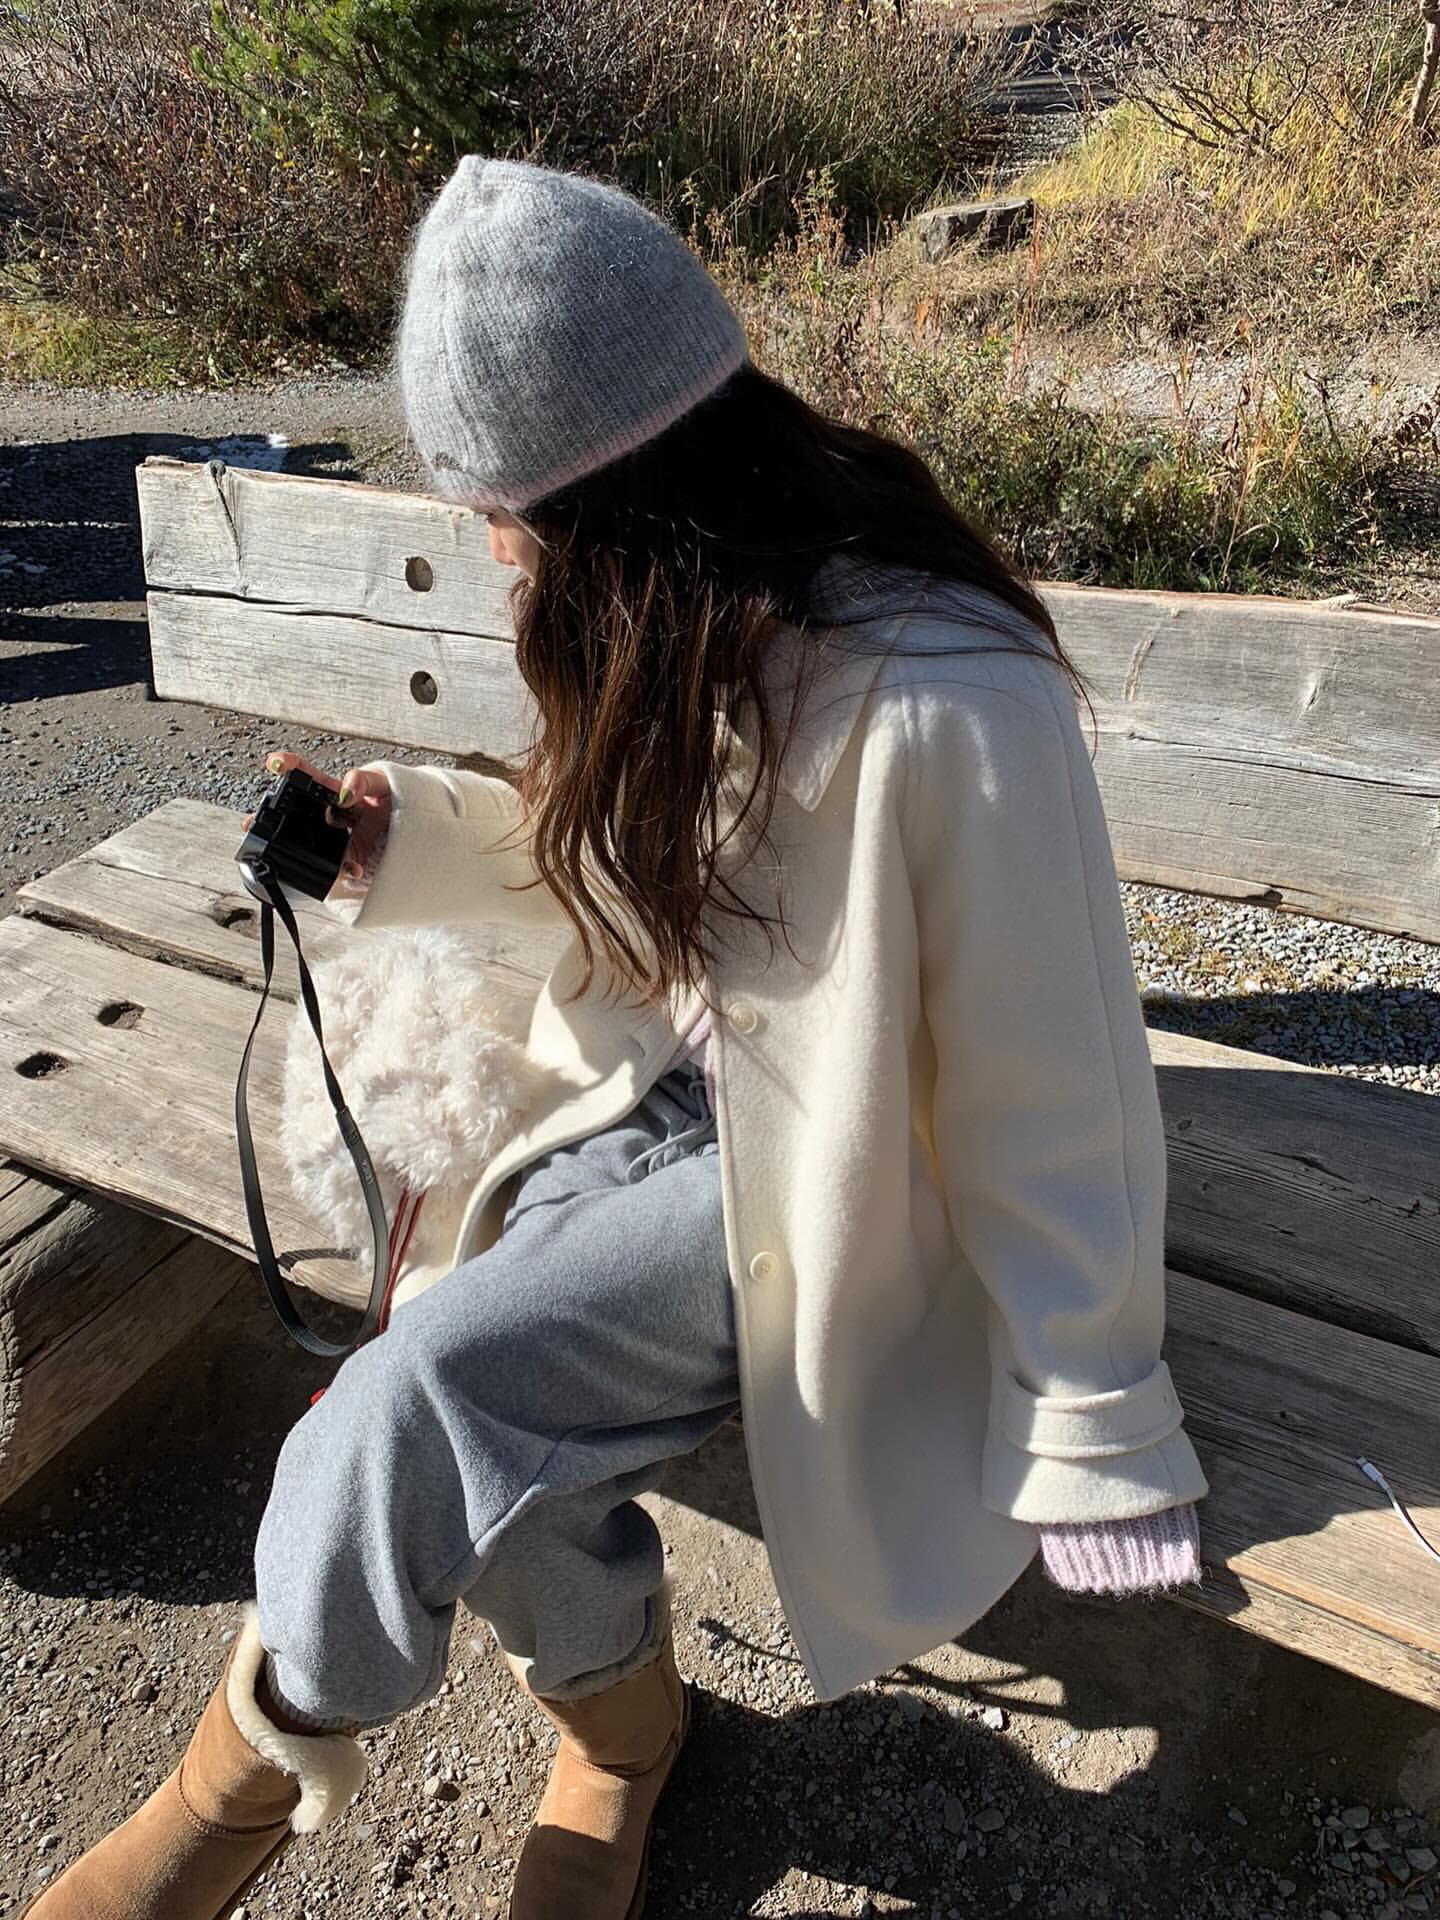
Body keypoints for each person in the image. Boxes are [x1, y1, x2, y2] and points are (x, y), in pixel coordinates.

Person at [28, 157, 1208, 1920]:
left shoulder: (950, 699)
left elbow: (1056, 1083)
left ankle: (240, 1787)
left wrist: (1094, 1411)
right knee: (478, 1413)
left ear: (620, 497)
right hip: (655, 1095)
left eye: (504, 516)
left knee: (417, 1402)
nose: (493, 549)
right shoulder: (696, 608)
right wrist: (403, 844)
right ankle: (624, 1732)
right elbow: (617, 853)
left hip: (833, 1181)